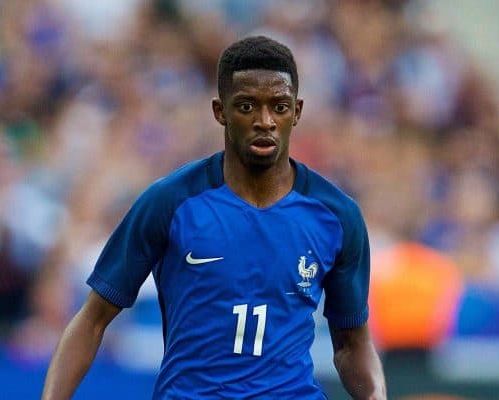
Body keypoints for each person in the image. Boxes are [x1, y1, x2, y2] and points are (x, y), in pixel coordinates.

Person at [42, 36, 387, 400]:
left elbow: (352, 343)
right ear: (220, 111)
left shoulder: (336, 215)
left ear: (297, 112)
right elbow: (93, 320)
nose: (265, 121)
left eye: (279, 107)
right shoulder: (170, 202)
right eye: (247, 106)